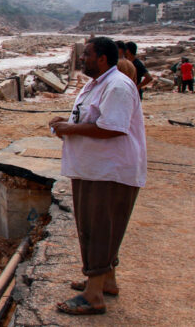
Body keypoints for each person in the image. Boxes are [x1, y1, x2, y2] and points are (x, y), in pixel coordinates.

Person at [49, 37, 146, 316]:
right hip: (93, 168)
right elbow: (90, 119)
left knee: (100, 228)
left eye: (87, 55)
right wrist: (66, 125)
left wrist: (70, 129)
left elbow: (112, 127)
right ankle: (106, 280)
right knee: (97, 227)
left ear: (102, 58)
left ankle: (93, 296)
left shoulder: (117, 86)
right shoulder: (98, 84)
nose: (82, 59)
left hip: (109, 171)